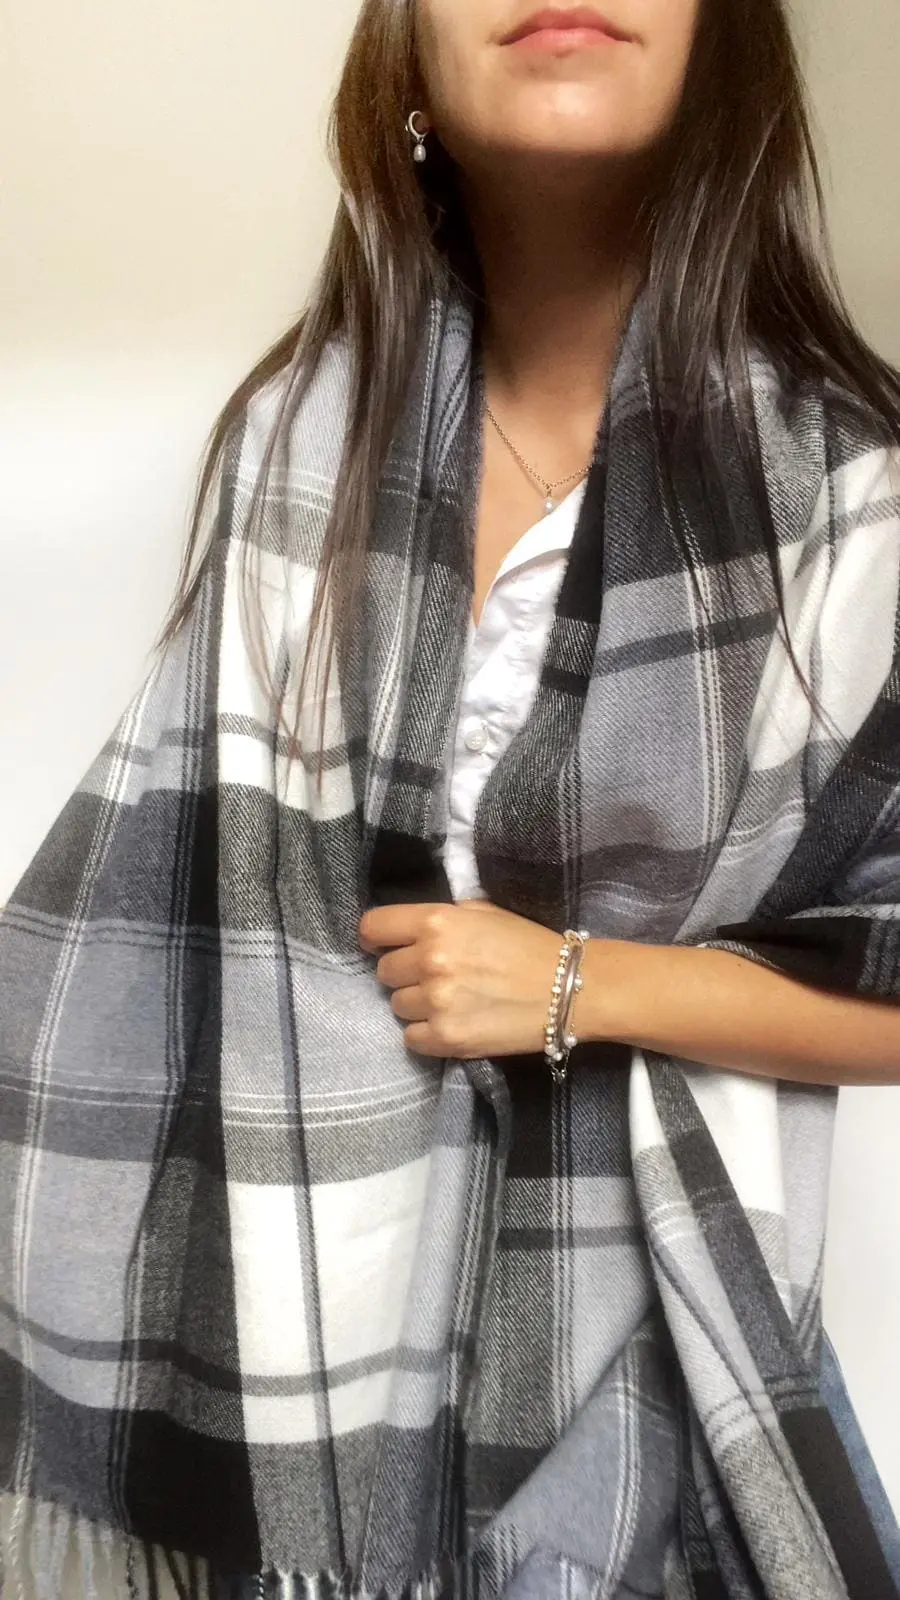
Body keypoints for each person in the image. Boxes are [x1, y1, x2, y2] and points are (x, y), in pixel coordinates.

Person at [1, 0, 900, 1596]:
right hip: (301, 1360)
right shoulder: (296, 444)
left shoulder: (854, 496)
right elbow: (178, 932)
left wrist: (576, 983)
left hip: (682, 1366)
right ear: (406, 51)